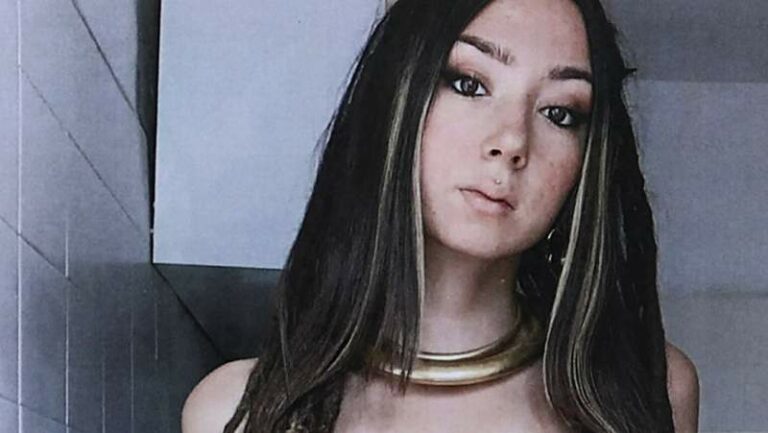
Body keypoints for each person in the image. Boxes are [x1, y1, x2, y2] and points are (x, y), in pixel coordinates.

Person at [181, 0, 700, 431]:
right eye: (469, 84)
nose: (511, 141)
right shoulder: (237, 413)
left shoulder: (651, 390)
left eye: (559, 113)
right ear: (395, 96)